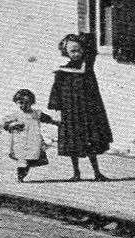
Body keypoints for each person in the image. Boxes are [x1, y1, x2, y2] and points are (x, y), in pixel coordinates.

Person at [48, 32, 113, 181]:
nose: (76, 54)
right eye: (72, 51)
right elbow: (56, 92)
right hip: (70, 112)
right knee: (73, 143)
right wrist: (57, 110)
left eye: (79, 50)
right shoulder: (62, 72)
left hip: (87, 111)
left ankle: (97, 173)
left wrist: (79, 40)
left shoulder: (86, 65)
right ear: (66, 52)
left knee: (91, 143)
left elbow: (90, 47)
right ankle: (76, 173)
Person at [3, 89, 59, 183]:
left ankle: (22, 174)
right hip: (19, 142)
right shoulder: (16, 115)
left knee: (30, 159)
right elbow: (5, 124)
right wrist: (12, 125)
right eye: (21, 103)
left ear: (31, 103)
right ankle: (20, 176)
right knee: (22, 160)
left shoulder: (36, 113)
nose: (24, 105)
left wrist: (57, 123)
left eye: (27, 103)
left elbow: (48, 119)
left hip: (33, 142)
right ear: (16, 103)